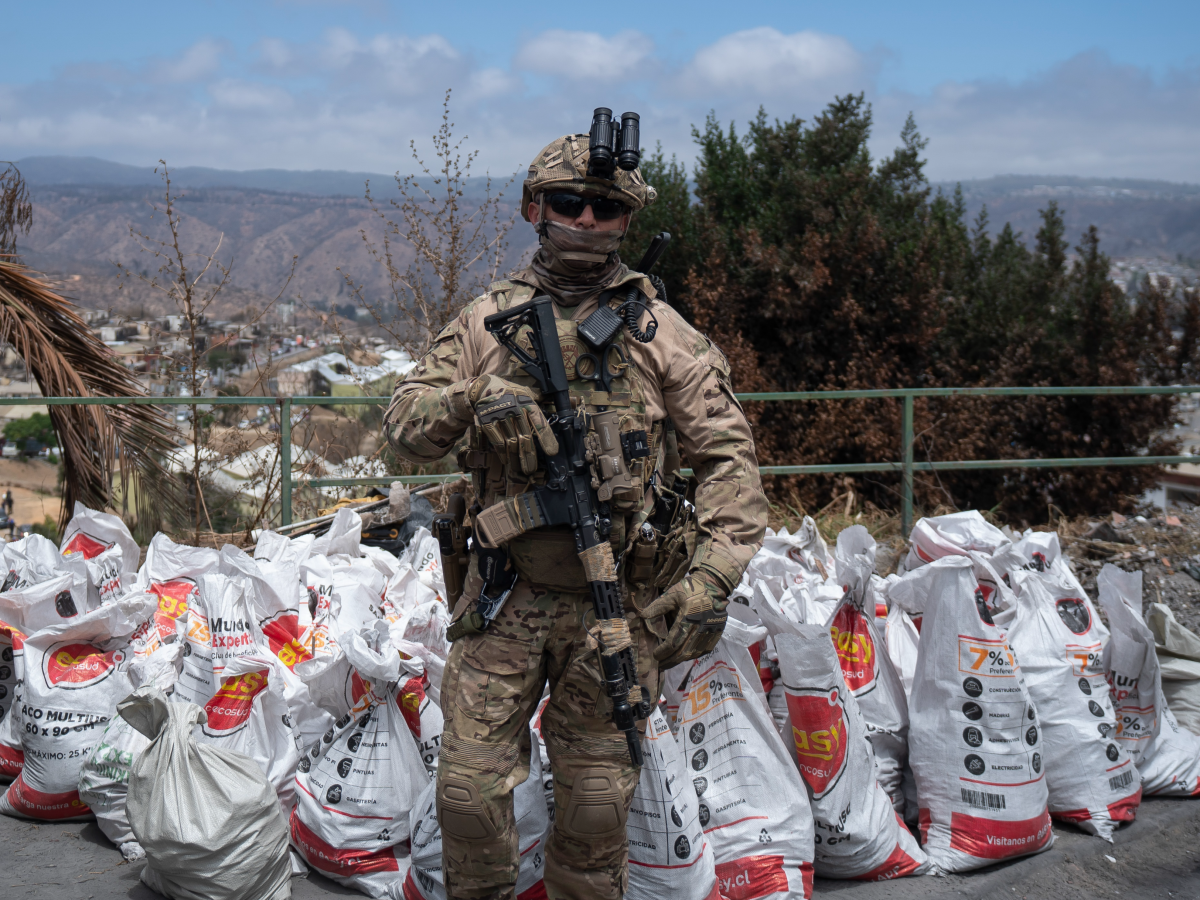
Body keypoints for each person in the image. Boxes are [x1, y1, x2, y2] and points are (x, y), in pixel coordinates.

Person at [384, 132, 767, 900]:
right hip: (504, 598)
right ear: (535, 208)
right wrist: (472, 398)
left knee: (595, 806)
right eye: (569, 203)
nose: (587, 219)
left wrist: (711, 581)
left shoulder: (664, 336)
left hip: (615, 607)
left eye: (607, 207)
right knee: (466, 794)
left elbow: (732, 465)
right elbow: (400, 433)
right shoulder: (486, 323)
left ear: (627, 220)